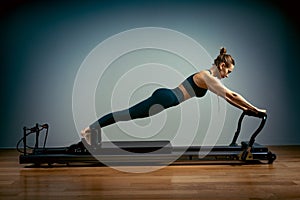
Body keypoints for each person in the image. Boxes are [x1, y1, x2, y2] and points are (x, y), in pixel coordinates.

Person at [80, 47, 266, 145]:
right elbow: (232, 94)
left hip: (165, 98)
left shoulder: (210, 79)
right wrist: (256, 109)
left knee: (127, 114)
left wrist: (247, 110)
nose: (227, 75)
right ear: (223, 66)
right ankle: (88, 130)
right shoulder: (206, 77)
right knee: (126, 114)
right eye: (229, 72)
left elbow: (228, 98)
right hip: (164, 99)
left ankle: (91, 130)